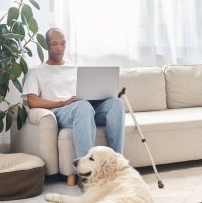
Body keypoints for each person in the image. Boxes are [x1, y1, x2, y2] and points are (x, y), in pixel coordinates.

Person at [22, 28, 125, 158]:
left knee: (116, 103)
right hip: (61, 111)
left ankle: (116, 160)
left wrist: (108, 94)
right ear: (46, 45)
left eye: (63, 43)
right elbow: (32, 101)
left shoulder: (76, 68)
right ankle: (86, 168)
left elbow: (87, 93)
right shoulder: (35, 71)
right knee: (82, 106)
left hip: (85, 107)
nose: (59, 48)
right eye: (55, 44)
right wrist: (61, 102)